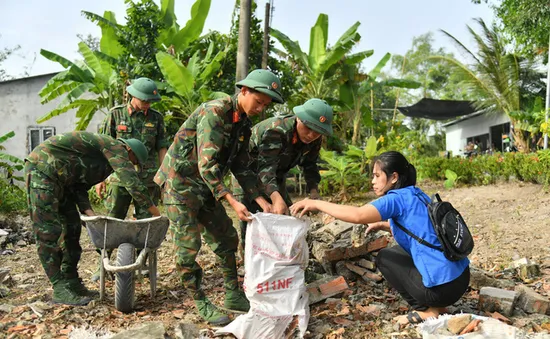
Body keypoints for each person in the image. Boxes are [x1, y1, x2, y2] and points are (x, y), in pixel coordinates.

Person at [154, 69, 283, 325]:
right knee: (187, 249)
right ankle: (200, 300)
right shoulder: (215, 112)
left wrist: (260, 200)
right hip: (179, 186)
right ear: (244, 91)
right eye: (259, 102)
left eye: (266, 106)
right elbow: (207, 164)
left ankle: (233, 294)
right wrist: (232, 201)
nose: (261, 109)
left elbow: (241, 166)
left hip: (205, 187)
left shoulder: (244, 123)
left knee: (226, 236)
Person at [290, 151, 470, 325]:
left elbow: (358, 215)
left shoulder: (394, 199)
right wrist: (385, 225)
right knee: (399, 251)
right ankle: (440, 306)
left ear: (393, 177)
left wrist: (314, 203)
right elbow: (423, 230)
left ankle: (427, 310)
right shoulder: (415, 193)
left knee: (385, 258)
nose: (372, 181)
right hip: (461, 278)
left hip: (443, 291)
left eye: (377, 176)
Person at [25, 132, 160, 306]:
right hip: (42, 170)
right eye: (133, 161)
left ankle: (71, 281)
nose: (130, 165)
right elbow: (132, 183)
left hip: (63, 181)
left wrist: (88, 211)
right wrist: (155, 212)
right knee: (48, 231)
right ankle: (59, 286)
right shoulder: (115, 147)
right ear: (129, 150)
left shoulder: (103, 163)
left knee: (72, 228)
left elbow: (78, 184)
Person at [93, 77, 168, 281]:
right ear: (133, 95)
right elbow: (103, 146)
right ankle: (102, 264)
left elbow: (162, 146)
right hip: (118, 178)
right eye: (144, 100)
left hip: (147, 178)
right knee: (111, 219)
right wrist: (100, 178)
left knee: (146, 223)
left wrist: (163, 176)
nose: (147, 104)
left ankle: (142, 264)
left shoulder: (156, 117)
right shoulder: (115, 114)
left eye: (150, 101)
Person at [236, 98, 333, 249]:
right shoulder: (276, 130)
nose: (311, 135)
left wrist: (314, 193)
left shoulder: (314, 138)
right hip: (248, 174)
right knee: (250, 221)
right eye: (308, 128)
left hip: (276, 175)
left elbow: (310, 165)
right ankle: (247, 264)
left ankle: (280, 257)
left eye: (318, 132)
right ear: (299, 118)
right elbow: (265, 168)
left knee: (286, 217)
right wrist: (275, 198)